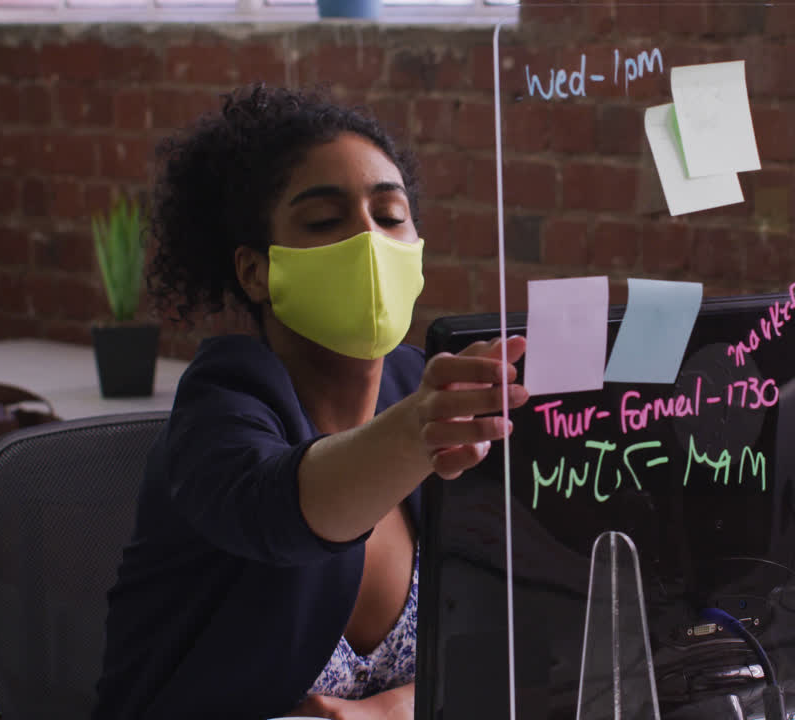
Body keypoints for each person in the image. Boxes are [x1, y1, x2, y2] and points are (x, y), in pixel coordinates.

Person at [93, 84, 528, 720]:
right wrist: (417, 435)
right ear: (256, 272)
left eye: (390, 215)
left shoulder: (419, 387)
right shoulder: (223, 403)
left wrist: (392, 709)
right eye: (325, 222)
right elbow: (282, 507)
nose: (368, 243)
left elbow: (506, 644)